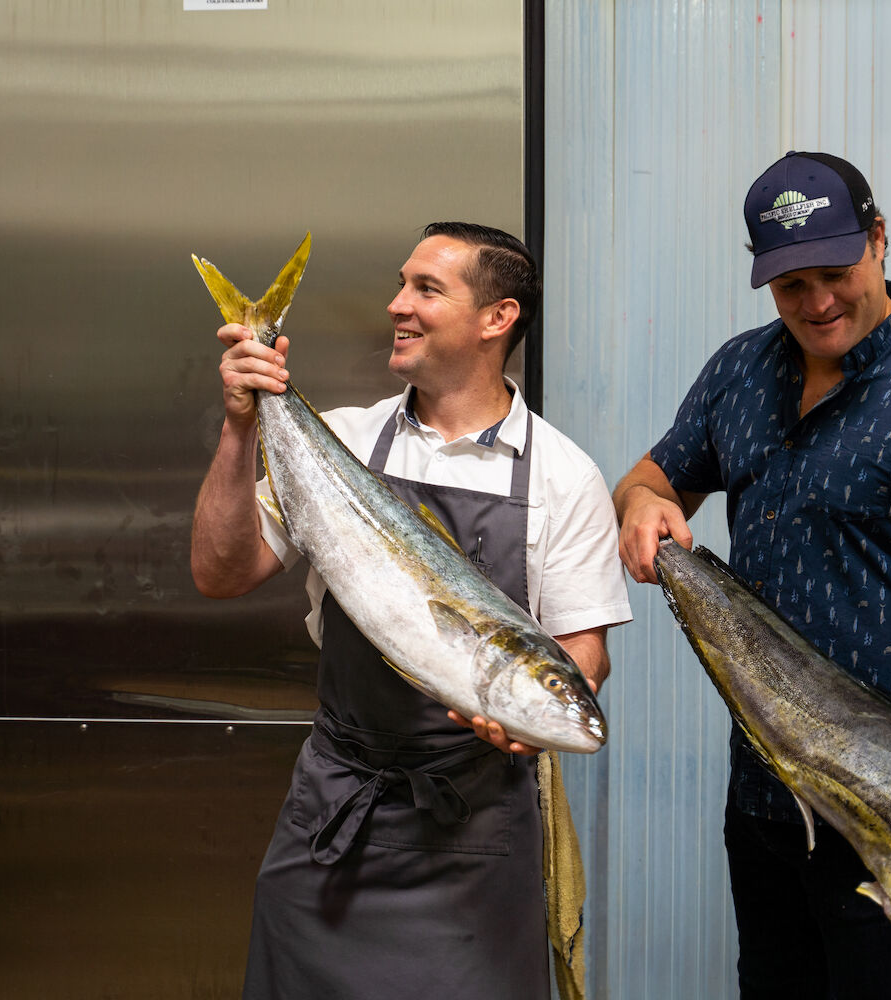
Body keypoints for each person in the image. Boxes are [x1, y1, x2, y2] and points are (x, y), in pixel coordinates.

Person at [613, 152, 891, 999]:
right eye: (790, 285)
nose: (817, 303)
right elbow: (653, 477)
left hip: (887, 811)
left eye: (835, 273)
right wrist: (640, 504)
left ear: (879, 239)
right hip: (764, 795)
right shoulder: (741, 370)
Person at [191, 221, 631, 999]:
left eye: (426, 289)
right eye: (402, 284)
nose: (398, 304)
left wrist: (532, 715)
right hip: (332, 820)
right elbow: (221, 572)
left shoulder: (565, 476)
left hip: (473, 834)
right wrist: (239, 426)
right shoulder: (344, 439)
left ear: (498, 318)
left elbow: (580, 653)